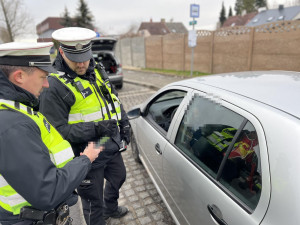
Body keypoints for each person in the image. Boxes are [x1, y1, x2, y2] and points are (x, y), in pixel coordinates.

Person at [0, 42, 104, 225]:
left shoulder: (19, 109)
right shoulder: (13, 125)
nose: (47, 84)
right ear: (19, 76)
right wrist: (85, 159)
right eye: (43, 77)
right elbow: (48, 191)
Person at [39, 27, 131, 225]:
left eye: (85, 56)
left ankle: (111, 208)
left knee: (119, 177)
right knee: (92, 202)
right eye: (75, 58)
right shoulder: (53, 85)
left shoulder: (96, 68)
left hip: (109, 142)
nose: (82, 63)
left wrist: (124, 124)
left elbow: (113, 98)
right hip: (85, 153)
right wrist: (96, 128)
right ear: (62, 52)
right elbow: (56, 131)